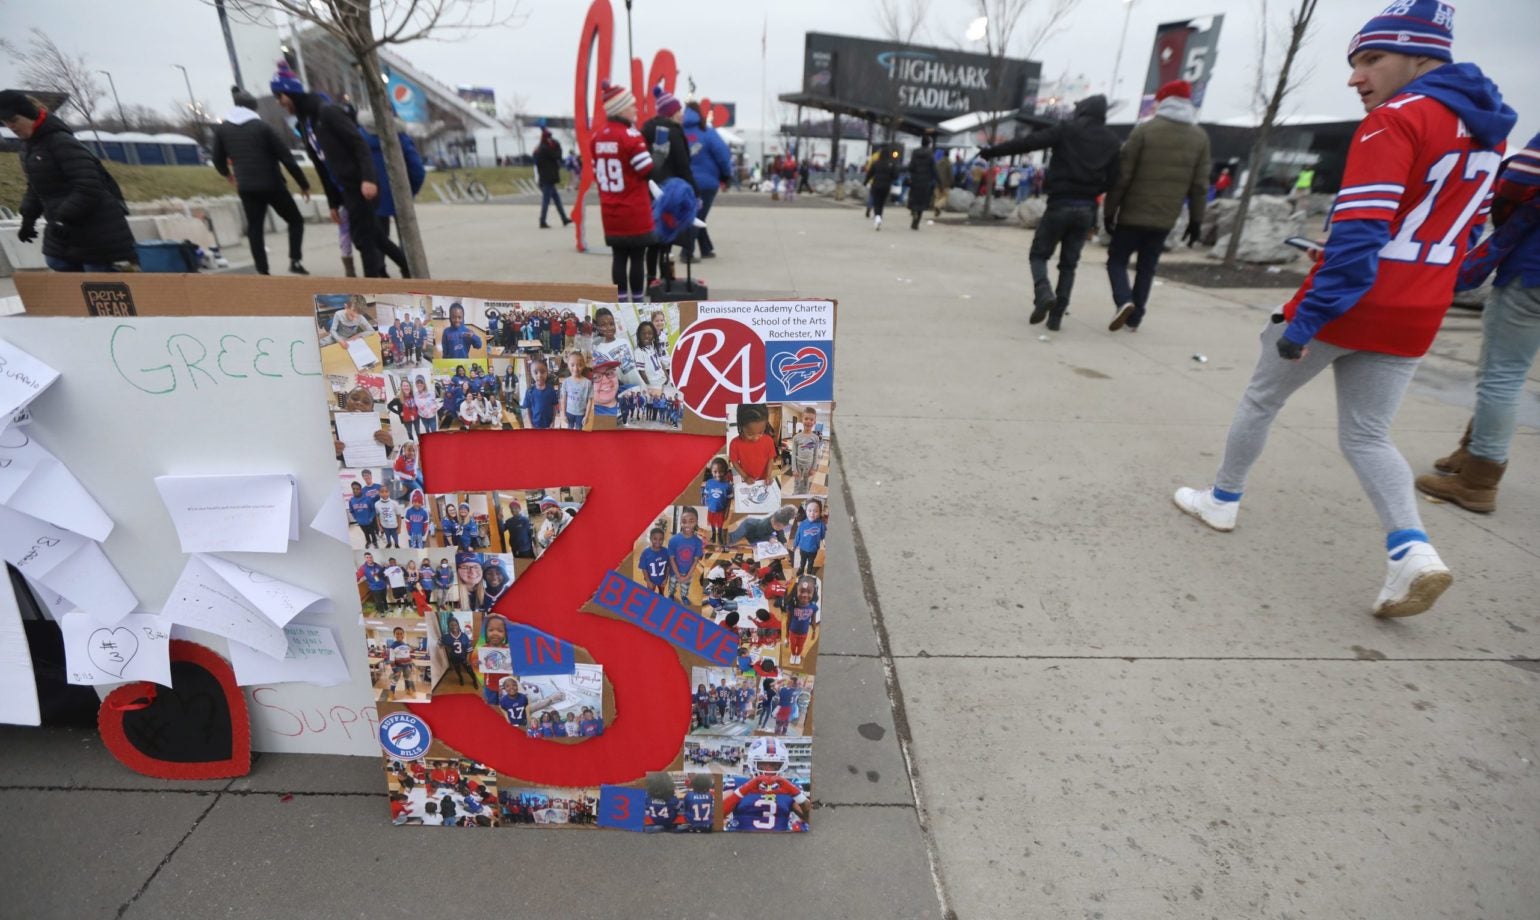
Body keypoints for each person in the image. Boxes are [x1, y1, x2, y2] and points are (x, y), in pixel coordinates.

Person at [1173, 1, 1514, 619]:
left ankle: (1221, 499)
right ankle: (1413, 552)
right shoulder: (1493, 131)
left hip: (1351, 302)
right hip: (1419, 309)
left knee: (1261, 398)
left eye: (1371, 59)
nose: (1356, 77)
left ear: (1420, 56)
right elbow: (1469, 239)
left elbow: (1360, 238)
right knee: (1366, 434)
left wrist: (1304, 320)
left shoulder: (1396, 119)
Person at [1415, 133, 1540, 513]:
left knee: (1501, 374)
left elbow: (1519, 177)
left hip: (1532, 271)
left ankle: (1478, 481)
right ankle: (1471, 453)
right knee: (1506, 371)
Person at [979, 95, 1121, 329]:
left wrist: (992, 152)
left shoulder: (1067, 130)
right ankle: (1056, 317)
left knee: (1039, 254)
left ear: (1083, 110)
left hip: (1060, 202)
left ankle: (1043, 292)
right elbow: (1114, 178)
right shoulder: (1111, 141)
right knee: (1069, 265)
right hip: (1086, 207)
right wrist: (1094, 190)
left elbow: (1029, 143)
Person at [1103, 80, 1212, 332]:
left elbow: (1123, 177)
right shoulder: (1200, 138)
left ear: (1163, 101)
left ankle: (1124, 300)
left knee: (1116, 261)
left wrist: (1110, 211)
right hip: (1165, 218)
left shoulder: (1144, 131)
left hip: (1132, 215)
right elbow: (1199, 185)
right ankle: (1136, 315)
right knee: (1147, 267)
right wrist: (1196, 221)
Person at [269, 62, 384, 277]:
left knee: (364, 240)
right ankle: (381, 283)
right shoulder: (306, 123)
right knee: (369, 239)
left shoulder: (327, 112)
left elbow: (359, 144)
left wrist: (368, 178)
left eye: (280, 97)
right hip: (344, 188)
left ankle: (373, 292)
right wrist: (333, 201)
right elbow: (321, 164)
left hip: (359, 184)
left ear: (290, 92)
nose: (280, 103)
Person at [1, 90, 137, 272]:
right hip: (64, 224)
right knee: (57, 262)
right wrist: (28, 218)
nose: (11, 126)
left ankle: (134, 286)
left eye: (14, 120)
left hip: (95, 223)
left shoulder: (60, 141)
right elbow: (36, 187)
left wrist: (64, 218)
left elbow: (89, 186)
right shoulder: (29, 148)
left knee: (97, 274)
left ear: (28, 114)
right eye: (5, 123)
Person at [211, 86, 311, 276]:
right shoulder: (263, 128)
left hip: (247, 186)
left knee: (255, 228)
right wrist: (303, 184)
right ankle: (295, 260)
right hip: (272, 184)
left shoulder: (223, 129)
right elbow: (286, 157)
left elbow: (217, 159)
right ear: (253, 108)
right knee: (295, 220)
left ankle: (262, 271)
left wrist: (228, 174)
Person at [591, 82, 656, 303]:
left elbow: (595, 172)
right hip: (634, 209)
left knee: (618, 258)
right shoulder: (631, 136)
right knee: (637, 258)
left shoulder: (597, 137)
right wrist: (661, 155)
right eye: (632, 105)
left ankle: (620, 303)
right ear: (620, 108)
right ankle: (637, 305)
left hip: (610, 209)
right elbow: (647, 169)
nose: (636, 110)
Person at [356, 107, 425, 278]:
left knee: (379, 237)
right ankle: (408, 269)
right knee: (406, 237)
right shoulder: (399, 137)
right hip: (398, 194)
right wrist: (410, 192)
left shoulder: (358, 137)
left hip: (370, 195)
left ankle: (380, 270)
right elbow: (417, 170)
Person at [642, 87, 691, 283]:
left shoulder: (645, 130)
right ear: (670, 112)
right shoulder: (675, 132)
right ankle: (665, 281)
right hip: (671, 193)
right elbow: (683, 166)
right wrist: (693, 192)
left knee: (652, 241)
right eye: (678, 110)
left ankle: (651, 280)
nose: (681, 114)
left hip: (649, 191)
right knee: (667, 240)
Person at [682, 100, 733, 262]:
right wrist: (726, 175)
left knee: (696, 214)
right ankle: (686, 252)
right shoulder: (708, 132)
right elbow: (723, 155)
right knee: (698, 216)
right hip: (707, 183)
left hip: (685, 181)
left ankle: (706, 248)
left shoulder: (679, 131)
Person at [533, 120, 571, 228]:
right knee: (546, 200)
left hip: (547, 177)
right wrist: (558, 147)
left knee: (556, 199)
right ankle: (542, 220)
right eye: (549, 137)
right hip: (547, 178)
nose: (551, 139)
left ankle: (563, 218)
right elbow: (556, 155)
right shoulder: (545, 149)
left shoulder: (541, 148)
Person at [729, 404, 777, 486]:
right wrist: (745, 476)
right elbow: (735, 463)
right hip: (747, 479)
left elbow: (770, 459)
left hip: (764, 479)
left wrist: (769, 475)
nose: (756, 438)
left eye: (761, 432)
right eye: (750, 434)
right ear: (741, 426)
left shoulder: (769, 440)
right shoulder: (734, 444)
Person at [667, 508, 705, 603]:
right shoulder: (673, 540)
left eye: (691, 521)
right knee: (672, 585)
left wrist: (687, 575)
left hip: (688, 573)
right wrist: (678, 575)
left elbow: (695, 560)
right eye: (684, 522)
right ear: (680, 522)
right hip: (674, 572)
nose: (687, 525)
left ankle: (684, 597)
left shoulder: (698, 542)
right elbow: (671, 559)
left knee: (685, 588)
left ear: (696, 522)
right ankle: (671, 594)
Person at [906, 137, 940, 231]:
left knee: (914, 199)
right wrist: (939, 181)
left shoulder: (915, 152)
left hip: (915, 179)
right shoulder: (930, 154)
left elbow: (911, 166)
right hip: (925, 181)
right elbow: (934, 169)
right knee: (921, 202)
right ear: (929, 144)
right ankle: (916, 223)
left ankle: (913, 211)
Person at [864, 144, 900, 231]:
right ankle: (879, 216)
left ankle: (877, 217)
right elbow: (895, 176)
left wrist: (865, 182)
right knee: (881, 203)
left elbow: (870, 174)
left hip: (876, 185)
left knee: (876, 202)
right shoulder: (891, 164)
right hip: (886, 186)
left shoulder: (876, 164)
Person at [702, 457, 733, 546]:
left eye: (721, 471)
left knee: (719, 524)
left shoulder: (728, 485)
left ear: (726, 472)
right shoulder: (709, 482)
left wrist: (727, 511)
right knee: (712, 522)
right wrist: (707, 503)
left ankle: (719, 536)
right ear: (711, 471)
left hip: (721, 510)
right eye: (715, 472)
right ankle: (714, 535)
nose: (718, 474)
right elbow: (706, 494)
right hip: (711, 509)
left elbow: (729, 500)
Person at [521, 358, 559, 429]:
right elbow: (528, 410)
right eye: (535, 372)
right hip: (536, 425)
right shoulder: (529, 391)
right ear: (531, 374)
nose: (539, 375)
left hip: (548, 425)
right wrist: (531, 425)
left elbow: (554, 407)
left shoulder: (551, 390)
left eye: (543, 372)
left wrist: (553, 422)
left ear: (547, 372)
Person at [792, 498, 826, 576]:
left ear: (820, 512)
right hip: (803, 548)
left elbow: (823, 536)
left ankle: (809, 571)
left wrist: (824, 542)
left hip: (813, 550)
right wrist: (794, 545)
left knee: (811, 562)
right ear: (806, 511)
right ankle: (801, 569)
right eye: (809, 510)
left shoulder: (821, 524)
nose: (812, 513)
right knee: (802, 561)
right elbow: (798, 535)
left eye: (816, 511)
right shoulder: (802, 524)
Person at [560, 350, 593, 430]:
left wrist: (587, 416)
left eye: (579, 365)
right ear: (568, 365)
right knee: (570, 428)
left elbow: (589, 401)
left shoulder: (588, 383)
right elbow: (563, 399)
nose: (575, 368)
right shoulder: (566, 382)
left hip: (581, 414)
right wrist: (563, 414)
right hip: (569, 412)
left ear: (584, 365)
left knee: (579, 429)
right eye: (572, 365)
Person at [639, 527, 670, 595]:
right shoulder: (645, 553)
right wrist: (648, 581)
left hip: (662, 580)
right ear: (650, 539)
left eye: (660, 539)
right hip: (651, 580)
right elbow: (644, 568)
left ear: (663, 539)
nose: (658, 542)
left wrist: (666, 579)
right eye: (655, 539)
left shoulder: (666, 552)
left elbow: (668, 566)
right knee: (650, 594)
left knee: (661, 593)